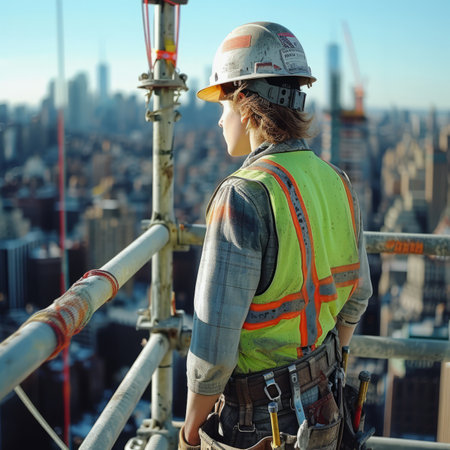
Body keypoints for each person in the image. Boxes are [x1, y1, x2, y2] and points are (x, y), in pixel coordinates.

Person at [179, 22, 372, 450]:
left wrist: (191, 434)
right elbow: (357, 295)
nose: (219, 118)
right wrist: (321, 365)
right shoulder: (337, 182)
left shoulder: (243, 196)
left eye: (223, 101)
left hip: (260, 422)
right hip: (328, 403)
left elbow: (214, 352)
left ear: (245, 104)